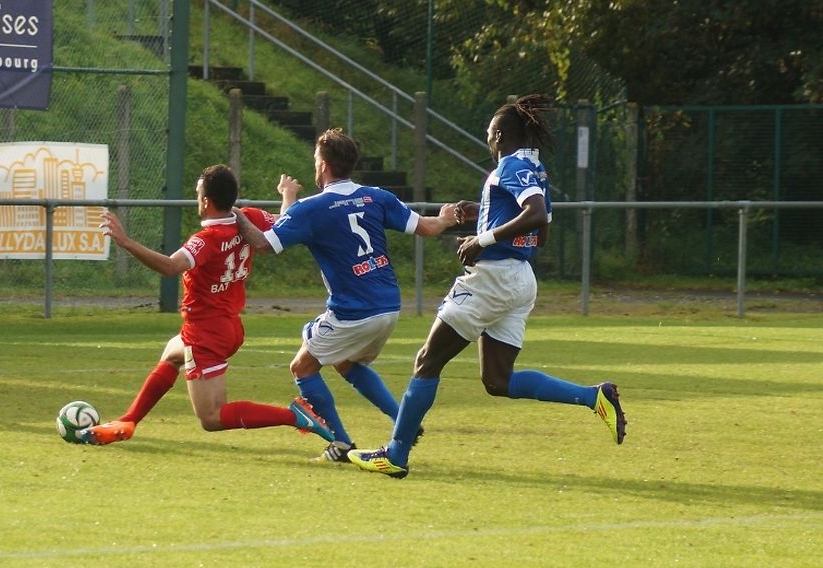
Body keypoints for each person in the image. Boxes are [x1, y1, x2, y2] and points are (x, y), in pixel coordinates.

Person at [347, 95, 628, 479]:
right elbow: (541, 230)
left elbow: (535, 214)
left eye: (489, 135)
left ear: (499, 135)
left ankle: (395, 454)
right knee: (498, 380)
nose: (488, 142)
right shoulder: (536, 169)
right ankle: (595, 397)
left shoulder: (511, 165)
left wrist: (483, 239)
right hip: (520, 278)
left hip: (493, 278)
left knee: (428, 361)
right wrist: (484, 216)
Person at [233, 128, 466, 463]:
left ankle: (341, 443)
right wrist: (444, 219)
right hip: (389, 305)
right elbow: (427, 227)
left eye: (316, 160)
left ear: (323, 165)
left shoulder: (312, 208)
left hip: (354, 311)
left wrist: (237, 215)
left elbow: (264, 244)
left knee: (302, 367)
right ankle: (405, 422)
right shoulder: (376, 197)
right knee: (345, 362)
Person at [74, 164, 335, 446]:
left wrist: (126, 242)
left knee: (211, 417)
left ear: (206, 201)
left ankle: (295, 415)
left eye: (198, 193)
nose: (197, 197)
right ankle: (128, 421)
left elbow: (170, 266)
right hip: (229, 325)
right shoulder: (249, 218)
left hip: (206, 333)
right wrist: (288, 194)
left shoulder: (206, 240)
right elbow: (285, 221)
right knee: (172, 354)